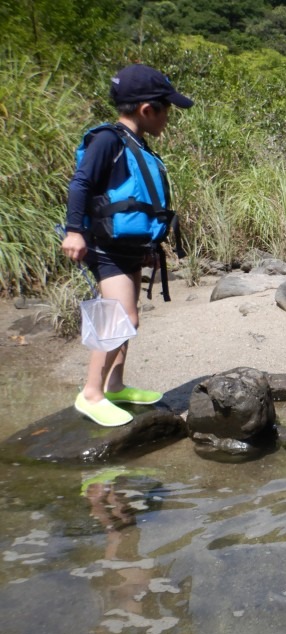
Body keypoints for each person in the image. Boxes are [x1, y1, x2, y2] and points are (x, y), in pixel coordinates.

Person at [62, 64, 194, 427]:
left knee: (128, 319)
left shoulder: (135, 143)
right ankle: (91, 393)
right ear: (147, 109)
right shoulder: (108, 140)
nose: (169, 117)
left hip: (129, 247)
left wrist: (150, 243)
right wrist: (74, 231)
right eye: (167, 110)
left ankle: (115, 385)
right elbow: (81, 184)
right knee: (121, 318)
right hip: (105, 247)